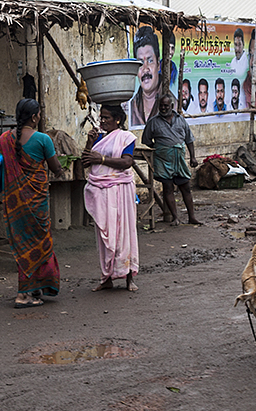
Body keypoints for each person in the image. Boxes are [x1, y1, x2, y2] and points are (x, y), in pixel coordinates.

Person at [0, 99, 63, 308]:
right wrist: (59, 170)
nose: (40, 117)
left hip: (15, 204)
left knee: (24, 245)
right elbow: (55, 167)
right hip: (37, 204)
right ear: (34, 117)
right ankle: (23, 295)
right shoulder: (43, 139)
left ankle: (34, 288)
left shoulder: (4, 139)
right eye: (39, 114)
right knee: (40, 243)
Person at [81, 104, 139, 292]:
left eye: (106, 118)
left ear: (117, 120)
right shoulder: (98, 137)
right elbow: (86, 160)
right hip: (102, 191)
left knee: (124, 232)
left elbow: (127, 162)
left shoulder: (126, 138)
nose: (103, 121)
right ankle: (106, 277)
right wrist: (89, 143)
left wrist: (102, 160)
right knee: (104, 234)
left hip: (121, 190)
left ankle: (129, 277)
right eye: (101, 117)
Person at [141, 95, 200, 226]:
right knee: (167, 188)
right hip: (162, 161)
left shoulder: (181, 120)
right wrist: (160, 149)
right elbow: (146, 140)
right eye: (161, 105)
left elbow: (189, 140)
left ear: (171, 106)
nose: (163, 108)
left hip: (179, 160)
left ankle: (192, 217)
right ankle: (175, 218)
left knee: (186, 187)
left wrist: (193, 157)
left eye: (166, 106)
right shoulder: (153, 122)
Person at [129, 26, 162, 127]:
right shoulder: (131, 107)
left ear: (158, 65)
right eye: (141, 62)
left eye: (150, 61)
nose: (145, 68)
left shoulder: (172, 104)